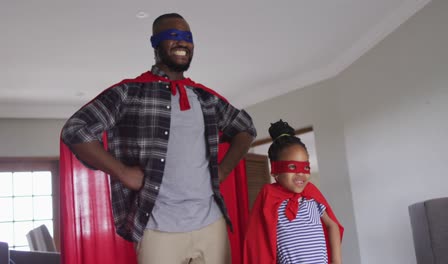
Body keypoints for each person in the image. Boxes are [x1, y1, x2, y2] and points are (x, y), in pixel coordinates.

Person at [61, 13, 256, 264]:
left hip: (211, 224)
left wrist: (224, 169)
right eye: (173, 36)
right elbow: (76, 128)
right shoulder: (129, 93)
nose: (182, 43)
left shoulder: (205, 98)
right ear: (155, 43)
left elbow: (246, 128)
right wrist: (122, 171)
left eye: (187, 38)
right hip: (158, 229)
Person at [243, 120, 343, 264]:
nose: (301, 174)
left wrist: (336, 261)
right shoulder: (269, 195)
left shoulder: (311, 195)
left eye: (305, 167)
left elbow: (332, 225)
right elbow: (259, 239)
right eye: (292, 167)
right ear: (275, 171)